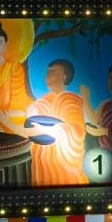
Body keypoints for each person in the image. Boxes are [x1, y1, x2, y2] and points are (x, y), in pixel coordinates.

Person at [24, 57, 93, 186]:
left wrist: (44, 130)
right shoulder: (39, 104)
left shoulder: (71, 100)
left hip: (66, 165)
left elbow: (76, 132)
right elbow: (29, 128)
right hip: (43, 163)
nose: (48, 76)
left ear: (64, 77)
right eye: (48, 72)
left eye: (53, 73)